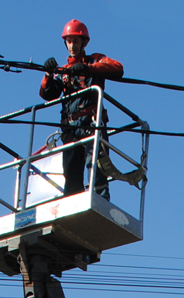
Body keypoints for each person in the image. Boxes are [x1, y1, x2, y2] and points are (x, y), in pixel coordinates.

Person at [40, 20, 124, 197]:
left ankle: (100, 201)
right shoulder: (64, 71)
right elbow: (47, 93)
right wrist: (48, 74)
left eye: (76, 41)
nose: (72, 45)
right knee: (71, 178)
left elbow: (117, 68)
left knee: (97, 169)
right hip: (70, 130)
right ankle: (72, 204)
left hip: (91, 125)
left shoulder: (94, 60)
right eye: (69, 41)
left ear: (84, 43)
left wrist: (88, 68)